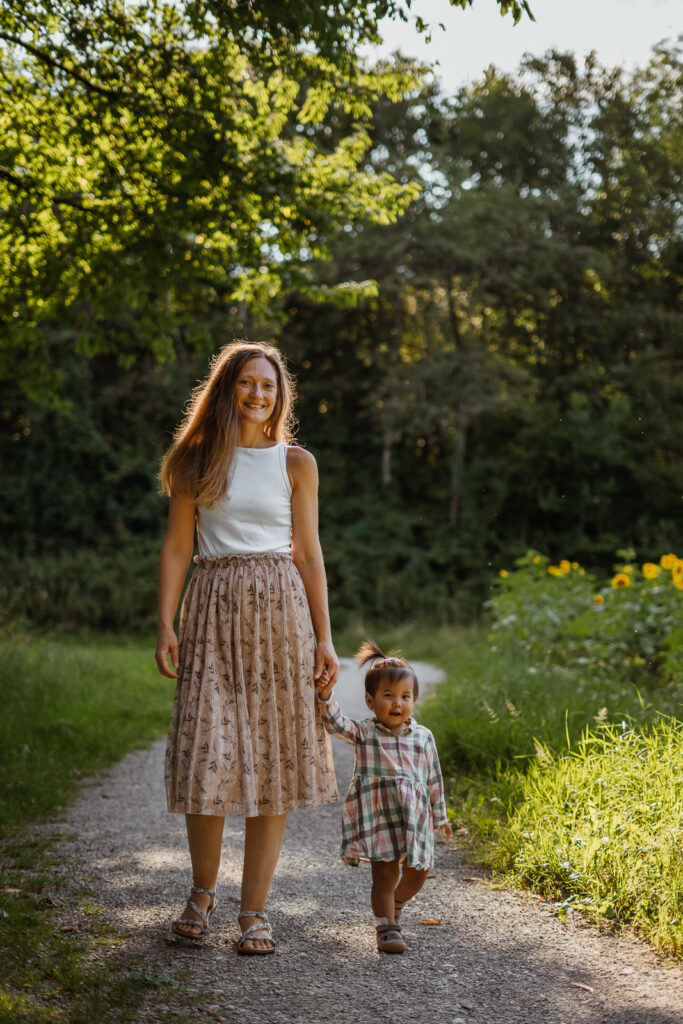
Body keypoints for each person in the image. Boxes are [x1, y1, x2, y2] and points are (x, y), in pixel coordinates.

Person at [156, 340, 339, 955]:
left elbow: (308, 552)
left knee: (274, 754)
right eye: (247, 383)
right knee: (207, 745)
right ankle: (202, 894)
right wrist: (165, 622)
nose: (259, 394)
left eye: (269, 385)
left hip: (281, 610)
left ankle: (254, 911)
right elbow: (179, 546)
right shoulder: (197, 459)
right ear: (227, 388)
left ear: (279, 394)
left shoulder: (296, 463)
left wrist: (325, 637)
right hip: (210, 608)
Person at [315, 641, 452, 954]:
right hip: (380, 816)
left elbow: (434, 777)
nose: (397, 704)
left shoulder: (423, 736)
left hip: (415, 817)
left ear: (414, 700)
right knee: (385, 873)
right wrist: (325, 695)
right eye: (388, 696)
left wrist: (440, 815)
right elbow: (335, 724)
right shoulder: (365, 732)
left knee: (419, 871)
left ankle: (397, 903)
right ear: (370, 700)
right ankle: (386, 926)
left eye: (405, 697)